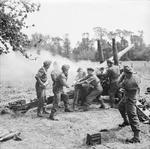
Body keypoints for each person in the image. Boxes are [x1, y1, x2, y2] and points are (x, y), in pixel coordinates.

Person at [118, 66, 140, 143]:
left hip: (130, 98)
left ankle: (136, 137)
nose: (130, 74)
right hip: (127, 95)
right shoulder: (132, 76)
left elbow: (119, 84)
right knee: (120, 107)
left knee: (132, 115)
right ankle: (126, 121)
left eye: (129, 73)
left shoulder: (131, 81)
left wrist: (122, 76)